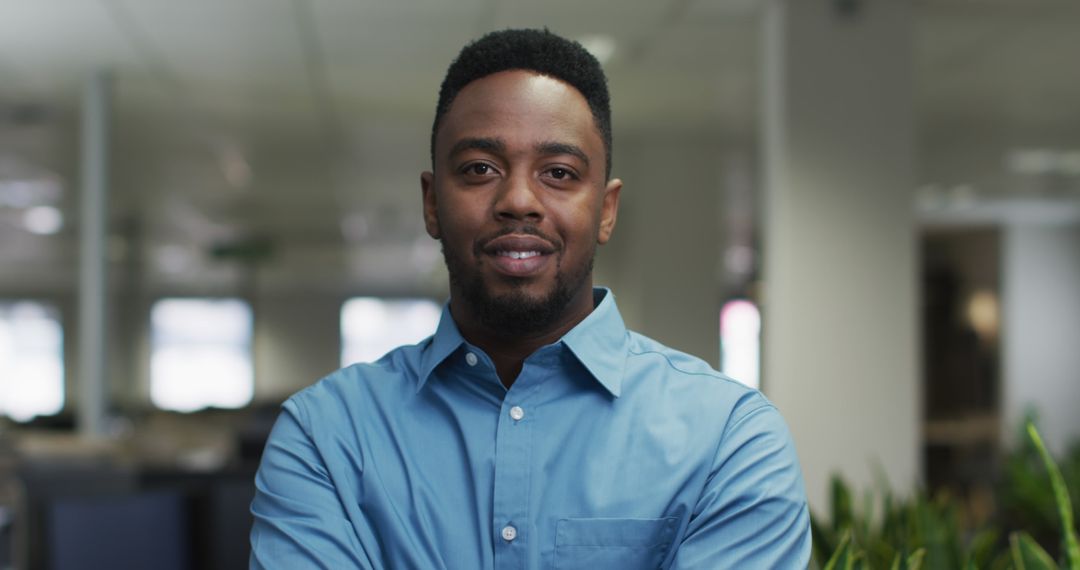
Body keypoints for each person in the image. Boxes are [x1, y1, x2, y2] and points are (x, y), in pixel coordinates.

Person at [250, 28, 810, 569]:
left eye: (559, 172)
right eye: (480, 169)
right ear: (432, 203)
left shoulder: (729, 440)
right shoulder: (327, 435)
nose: (519, 199)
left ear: (607, 210)